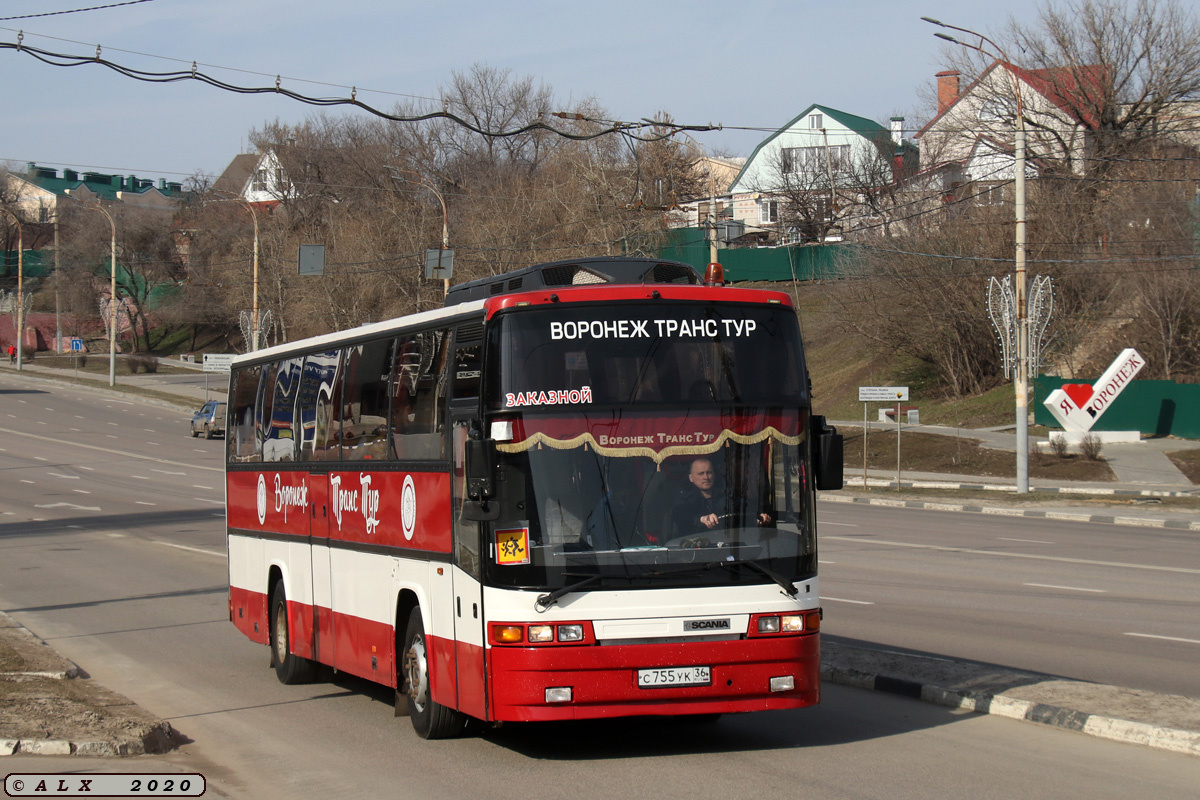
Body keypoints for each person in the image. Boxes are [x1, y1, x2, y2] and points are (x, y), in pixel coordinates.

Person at [670, 456, 772, 538]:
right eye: (701, 473)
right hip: (695, 547)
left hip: (728, 545)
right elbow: (681, 517)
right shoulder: (683, 498)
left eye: (709, 472)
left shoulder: (728, 494)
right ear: (691, 478)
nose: (706, 477)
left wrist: (758, 517)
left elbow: (744, 509)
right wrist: (701, 519)